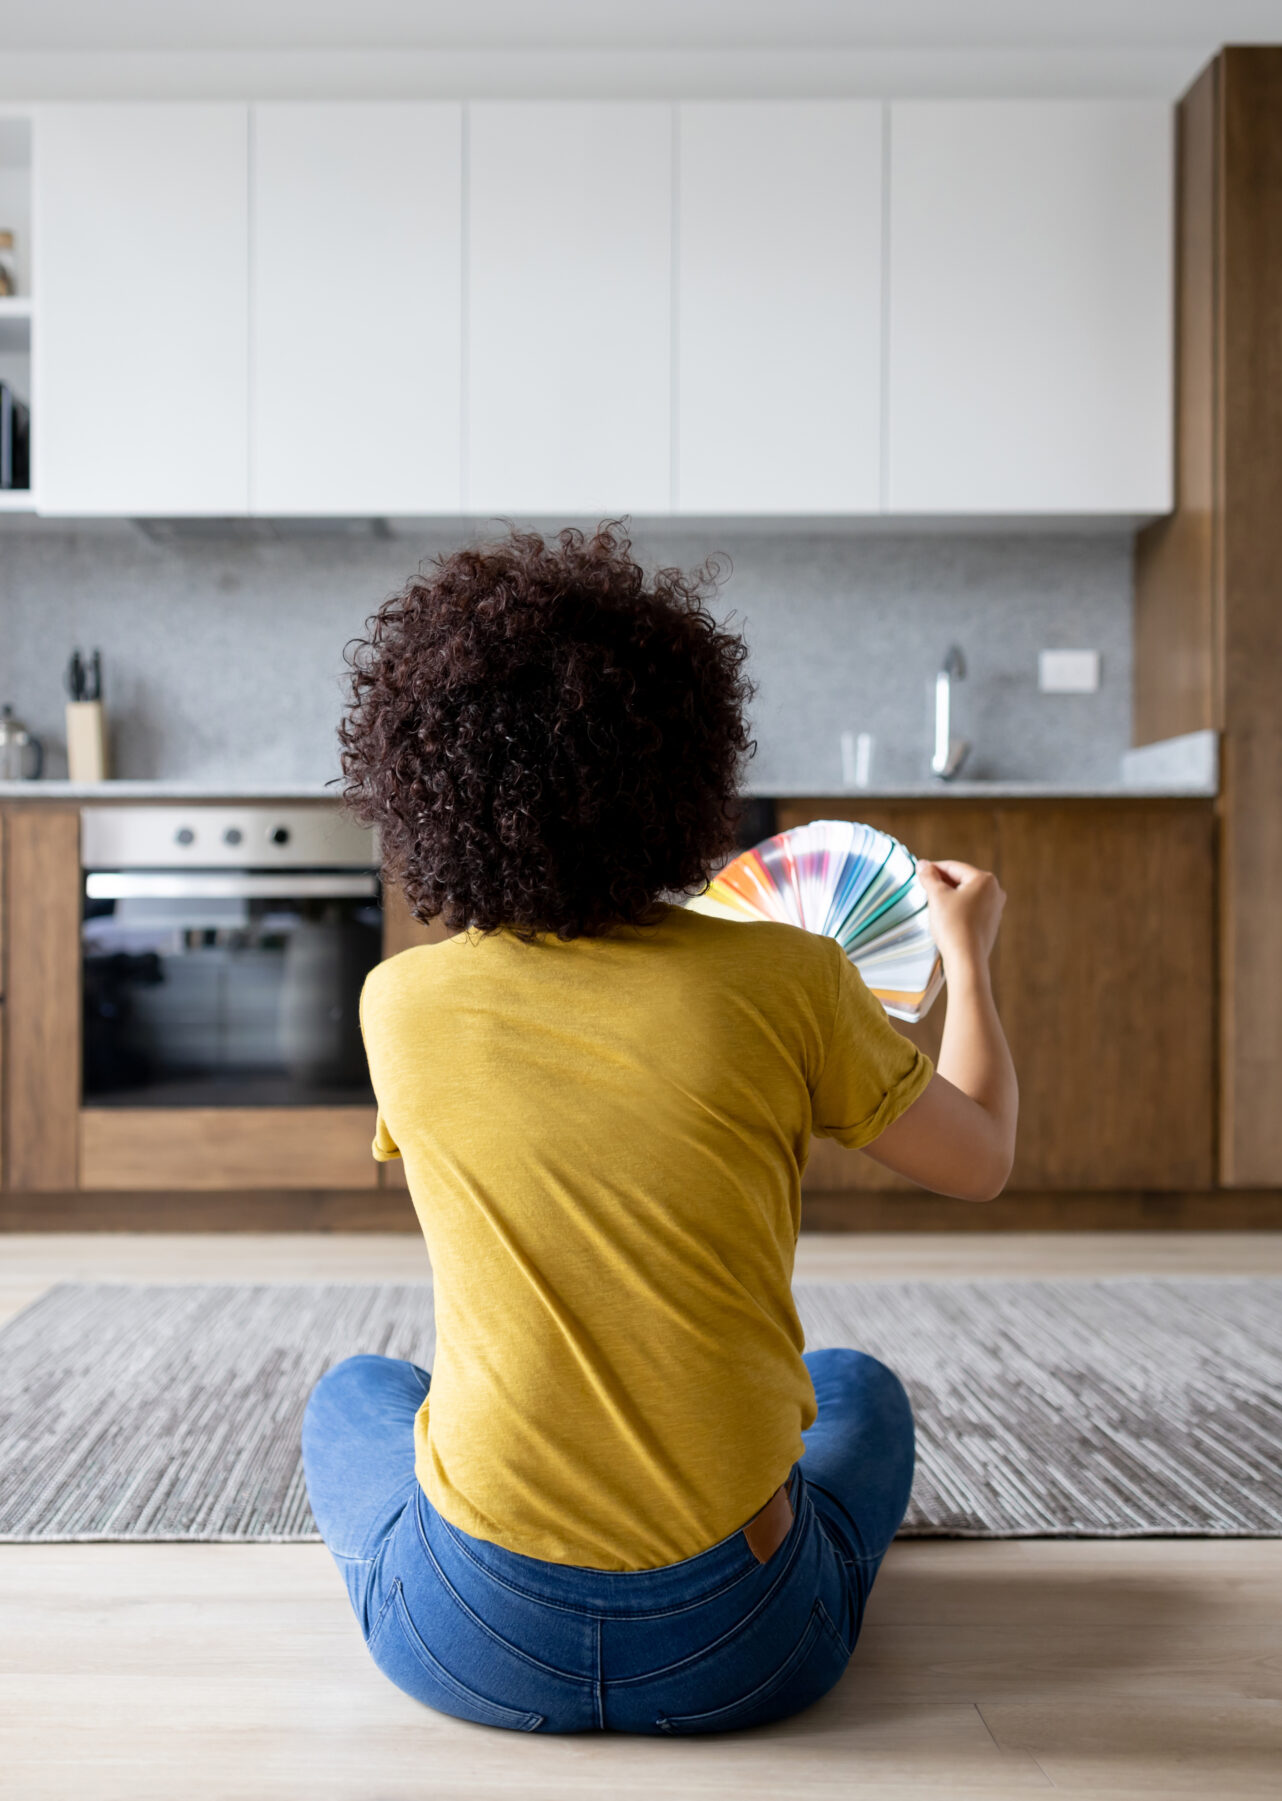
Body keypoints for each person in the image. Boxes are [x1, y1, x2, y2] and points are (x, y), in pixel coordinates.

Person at [302, 525, 1016, 1735]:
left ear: (423, 784)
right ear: (687, 764)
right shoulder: (787, 979)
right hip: (739, 1652)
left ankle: (419, 1577)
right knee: (856, 1391)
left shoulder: (401, 1001)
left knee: (358, 1393)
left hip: (472, 1642)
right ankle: (812, 1579)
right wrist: (970, 957)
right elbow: (982, 1161)